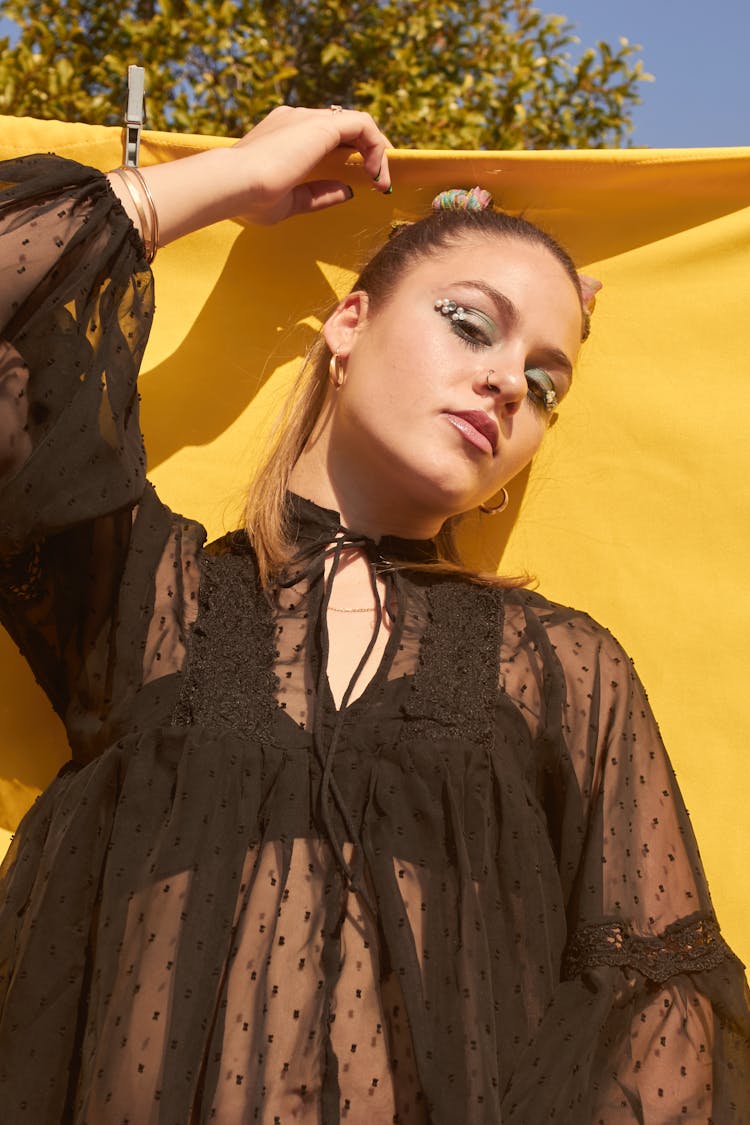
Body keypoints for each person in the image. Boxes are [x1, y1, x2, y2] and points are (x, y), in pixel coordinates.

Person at [0, 105, 748, 1124]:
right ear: (348, 324)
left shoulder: (564, 670)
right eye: (470, 323)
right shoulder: (149, 599)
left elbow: (667, 1011)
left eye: (542, 384)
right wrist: (238, 174)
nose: (502, 383)